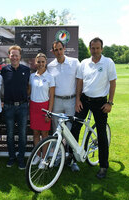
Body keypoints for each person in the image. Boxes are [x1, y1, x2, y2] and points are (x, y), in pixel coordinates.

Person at [71, 37, 117, 179]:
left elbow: (113, 82)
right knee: (75, 129)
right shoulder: (84, 63)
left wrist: (110, 103)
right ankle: (71, 160)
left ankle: (103, 166)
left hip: (100, 103)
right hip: (84, 100)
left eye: (97, 48)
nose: (95, 50)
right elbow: (80, 82)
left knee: (101, 134)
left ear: (102, 49)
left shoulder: (108, 62)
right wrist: (78, 99)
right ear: (90, 48)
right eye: (92, 48)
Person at [47, 41, 81, 171]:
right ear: (53, 51)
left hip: (71, 101)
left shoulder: (74, 62)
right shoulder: (50, 66)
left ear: (64, 49)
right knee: (58, 131)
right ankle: (59, 157)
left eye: (61, 49)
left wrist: (78, 99)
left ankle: (72, 160)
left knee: (71, 132)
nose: (59, 52)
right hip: (57, 101)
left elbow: (79, 81)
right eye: (56, 50)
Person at [1, 45, 30, 170]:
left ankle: (21, 158)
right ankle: (12, 157)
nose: (14, 57)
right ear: (9, 56)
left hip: (23, 106)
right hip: (8, 106)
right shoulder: (4, 70)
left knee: (23, 134)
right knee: (10, 134)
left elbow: (29, 87)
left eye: (16, 55)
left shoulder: (26, 70)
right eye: (12, 55)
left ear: (20, 56)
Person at [28, 53, 55, 169]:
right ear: (35, 63)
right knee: (35, 133)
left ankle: (44, 159)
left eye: (43, 62)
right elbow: (29, 91)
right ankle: (37, 156)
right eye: (38, 62)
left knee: (44, 135)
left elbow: (52, 96)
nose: (40, 64)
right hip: (33, 107)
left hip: (44, 108)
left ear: (46, 63)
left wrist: (49, 112)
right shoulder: (32, 76)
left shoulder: (50, 77)